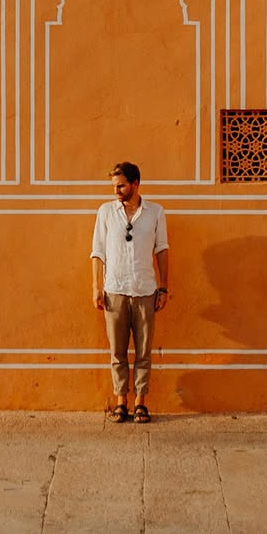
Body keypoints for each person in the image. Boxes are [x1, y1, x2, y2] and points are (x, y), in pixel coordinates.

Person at [91, 161, 169, 423]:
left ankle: (140, 403)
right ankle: (120, 401)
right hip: (114, 289)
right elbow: (97, 252)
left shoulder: (155, 212)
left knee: (144, 351)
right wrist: (96, 287)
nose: (116, 190)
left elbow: (162, 250)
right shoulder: (105, 212)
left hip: (146, 289)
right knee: (118, 351)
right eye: (114, 185)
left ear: (135, 184)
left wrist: (164, 288)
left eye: (121, 185)